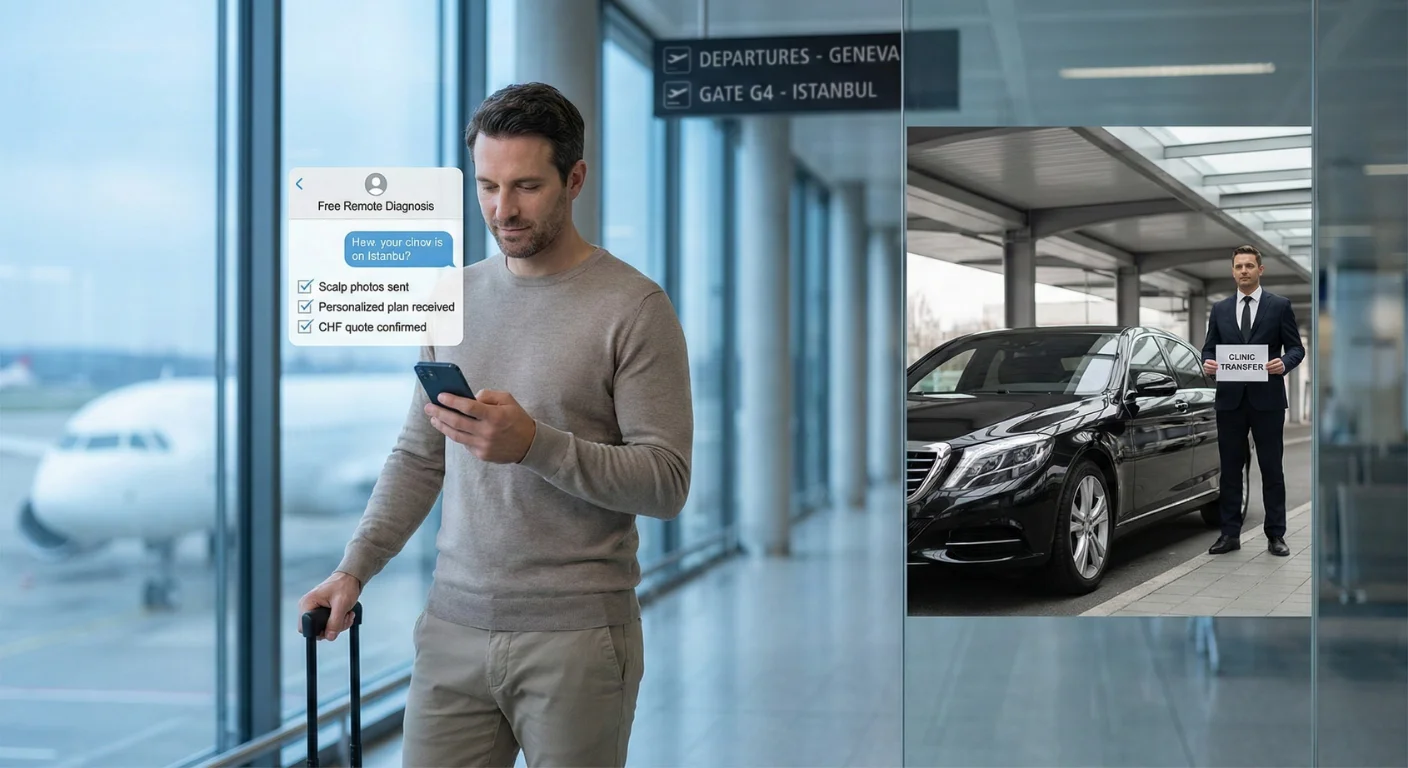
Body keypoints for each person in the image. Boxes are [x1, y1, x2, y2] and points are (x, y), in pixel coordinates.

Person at [297, 82, 693, 767]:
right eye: (486, 185)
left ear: (575, 179)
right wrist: (353, 570)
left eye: (526, 187)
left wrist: (534, 446)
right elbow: (420, 455)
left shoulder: (634, 307)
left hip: (577, 639)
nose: (501, 209)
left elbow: (666, 483)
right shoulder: (450, 296)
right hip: (453, 630)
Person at [1200, 244, 1304, 557]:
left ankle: (1276, 536)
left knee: (1272, 469)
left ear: (1260, 270)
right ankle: (1229, 534)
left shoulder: (1279, 305)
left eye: (1249, 265)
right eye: (1238, 266)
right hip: (1230, 401)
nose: (1243, 271)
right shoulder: (1219, 310)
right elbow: (1209, 349)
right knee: (1231, 470)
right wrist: (1208, 364)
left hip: (1268, 401)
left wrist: (1283, 363)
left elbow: (1296, 349)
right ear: (1232, 271)